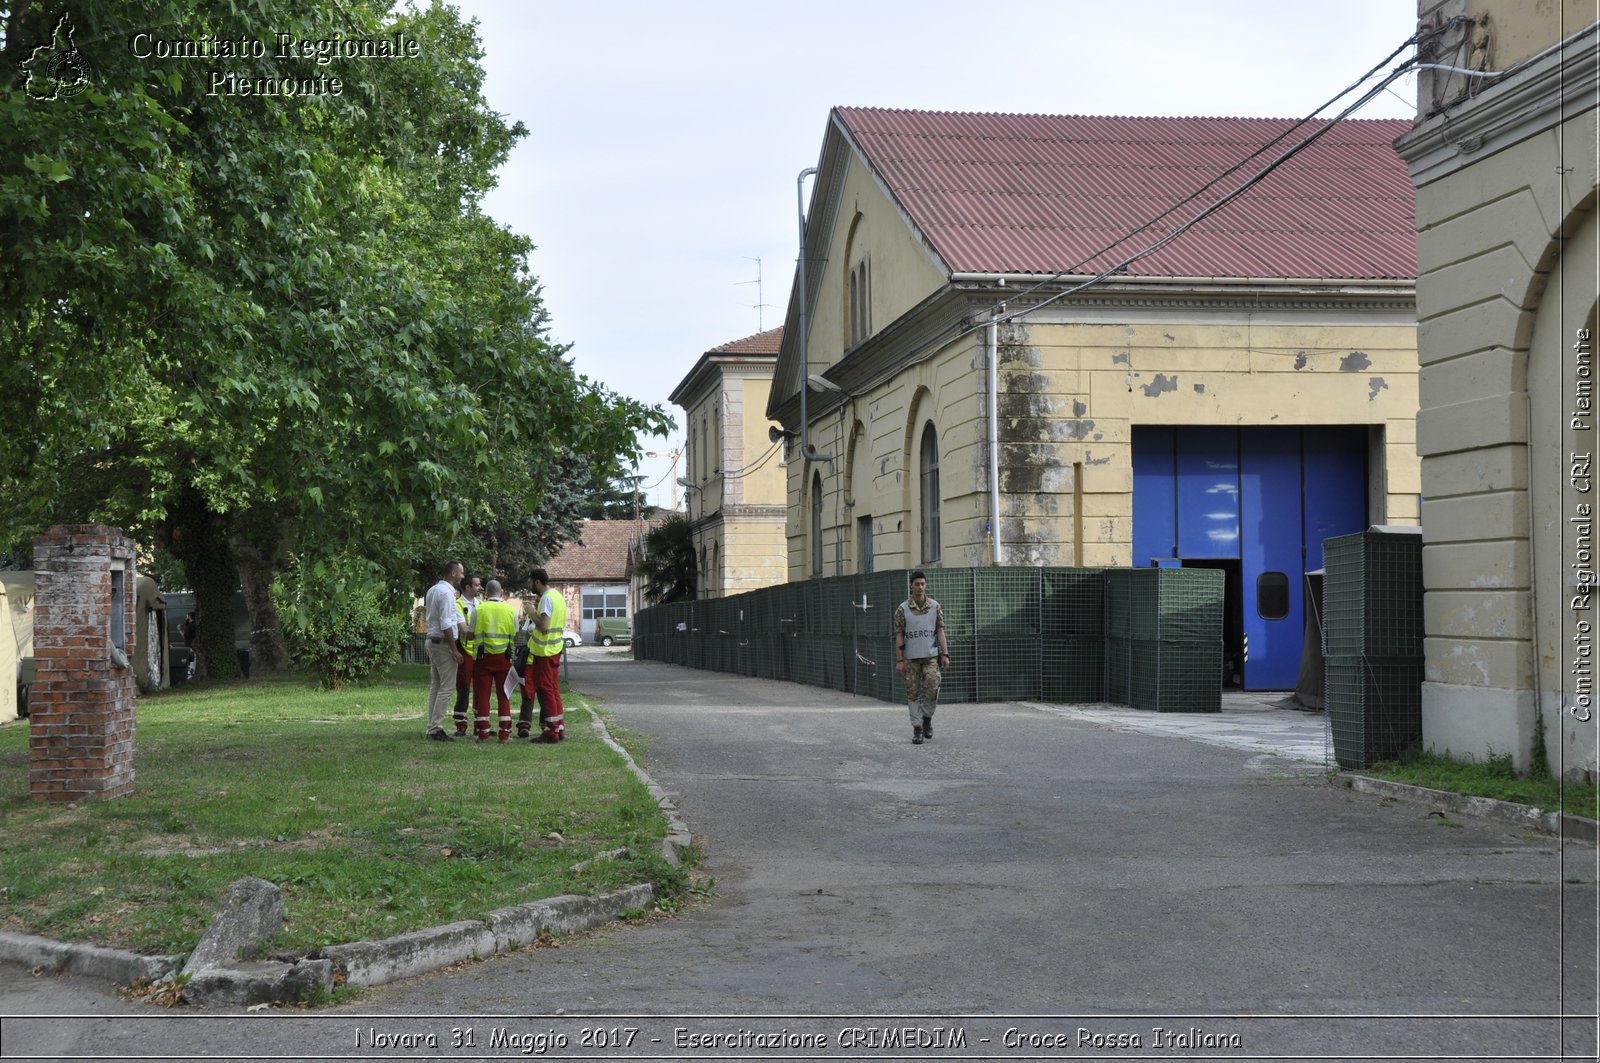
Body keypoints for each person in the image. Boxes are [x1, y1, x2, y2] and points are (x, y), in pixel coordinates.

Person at [894, 570, 950, 745]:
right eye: (917, 584)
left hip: (930, 656)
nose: (920, 587)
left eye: (922, 584)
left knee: (933, 686)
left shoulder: (934, 606)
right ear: (911, 586)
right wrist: (900, 660)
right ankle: (917, 728)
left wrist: (945, 654)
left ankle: (927, 718)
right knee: (912, 693)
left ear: (926, 585)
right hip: (911, 658)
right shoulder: (902, 609)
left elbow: (940, 630)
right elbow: (899, 635)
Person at [468, 579, 518, 741]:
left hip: (483, 658)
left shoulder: (479, 609)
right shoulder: (510, 610)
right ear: (501, 592)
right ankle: (505, 733)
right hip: (504, 657)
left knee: (483, 696)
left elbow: (471, 632)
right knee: (504, 696)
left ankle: (483, 733)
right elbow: (516, 633)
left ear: (486, 593)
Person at [422, 560, 466, 741]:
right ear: (454, 573)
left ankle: (431, 726)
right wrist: (454, 650)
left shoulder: (433, 590)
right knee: (446, 688)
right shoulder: (447, 594)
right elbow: (447, 623)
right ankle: (436, 728)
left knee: (436, 686)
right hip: (443, 644)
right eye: (461, 572)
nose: (463, 576)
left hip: (432, 641)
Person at [523, 568, 567, 743]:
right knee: (553, 688)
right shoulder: (557, 596)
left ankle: (551, 731)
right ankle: (559, 726)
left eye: (530, 582)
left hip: (545, 651)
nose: (529, 585)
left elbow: (543, 626)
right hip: (554, 649)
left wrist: (531, 611)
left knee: (545, 689)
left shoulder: (547, 598)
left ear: (537, 582)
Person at [451, 574, 482, 736]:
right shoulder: (458, 605)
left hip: (479, 651)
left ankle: (480, 723)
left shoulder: (480, 604)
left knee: (480, 687)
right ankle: (461, 724)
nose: (480, 588)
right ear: (468, 587)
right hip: (466, 650)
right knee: (463, 687)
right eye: (477, 585)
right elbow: (463, 630)